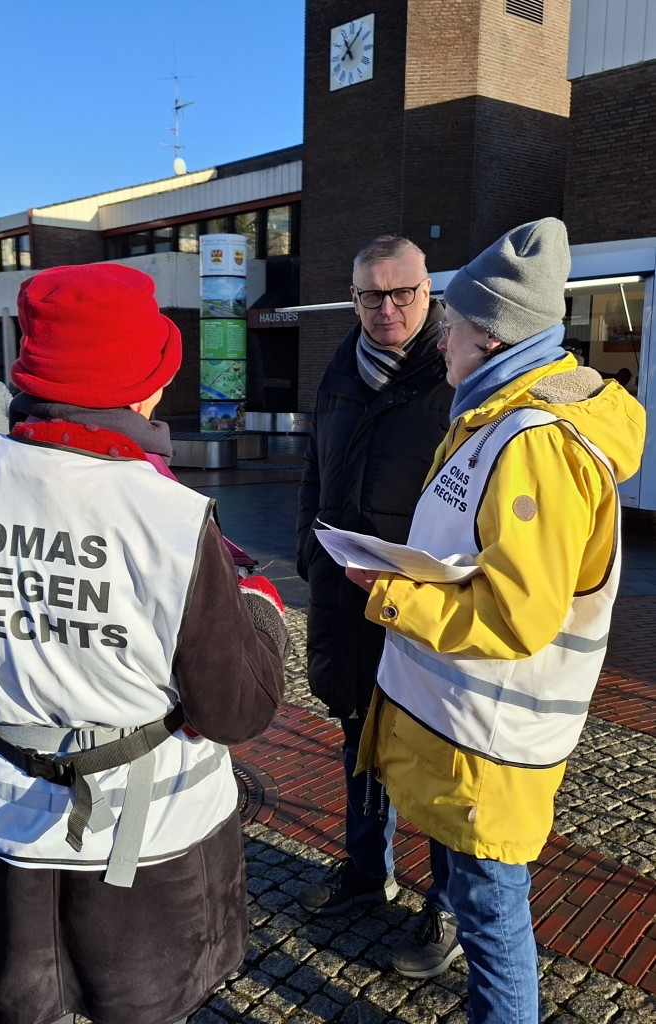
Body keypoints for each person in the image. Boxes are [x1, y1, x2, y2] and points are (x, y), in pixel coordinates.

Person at [0, 262, 290, 1024]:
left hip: (5, 835)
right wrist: (259, 606)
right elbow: (236, 710)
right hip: (154, 849)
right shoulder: (169, 514)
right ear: (143, 386)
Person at [351, 218, 645, 1023]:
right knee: (476, 895)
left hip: (490, 737)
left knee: (490, 912)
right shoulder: (491, 414)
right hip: (460, 726)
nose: (439, 337)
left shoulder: (532, 442)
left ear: (487, 336)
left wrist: (390, 592)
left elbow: (518, 615)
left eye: (449, 323)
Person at [296, 235, 453, 919]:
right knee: (359, 740)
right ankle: (366, 872)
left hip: (425, 605)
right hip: (345, 594)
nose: (386, 308)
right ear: (353, 297)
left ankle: (446, 904)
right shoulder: (338, 370)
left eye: (401, 292)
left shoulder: (456, 370)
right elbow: (314, 470)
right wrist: (309, 551)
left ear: (427, 290)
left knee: (437, 753)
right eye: (371, 295)